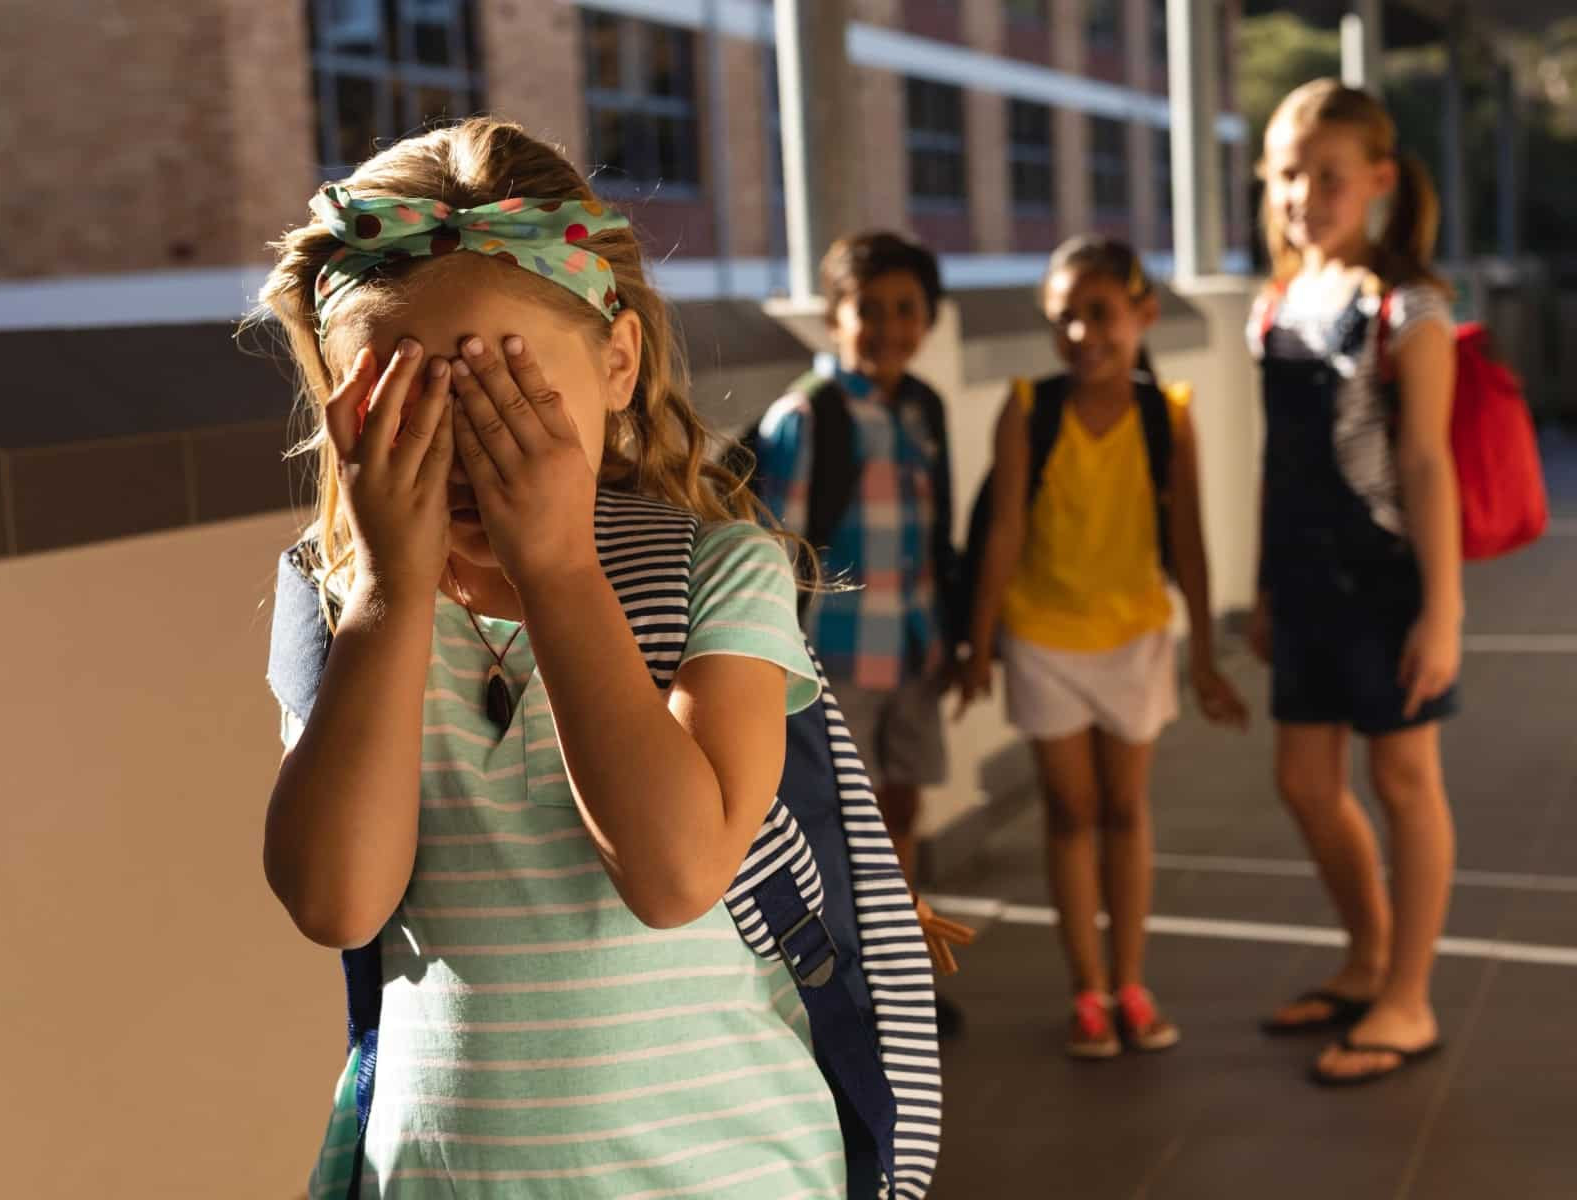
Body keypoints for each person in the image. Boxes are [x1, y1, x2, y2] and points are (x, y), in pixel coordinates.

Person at [258, 117, 850, 1196]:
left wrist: (562, 575)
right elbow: (336, 902)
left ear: (617, 362)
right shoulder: (336, 601)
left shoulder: (717, 575)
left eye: (501, 399)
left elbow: (673, 875)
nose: (466, 451)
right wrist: (389, 592)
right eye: (410, 411)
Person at [960, 235, 1248, 1060]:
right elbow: (1005, 531)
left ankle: (1130, 982)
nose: (1083, 334)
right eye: (1065, 319)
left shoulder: (1170, 416)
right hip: (1044, 636)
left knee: (1125, 810)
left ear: (1143, 316)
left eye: (1101, 315)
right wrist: (979, 642)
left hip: (1135, 637)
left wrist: (1202, 657)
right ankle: (1087, 989)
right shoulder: (1029, 407)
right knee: (1070, 811)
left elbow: (1187, 541)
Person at [1249, 80, 1461, 1087]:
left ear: (1377, 180)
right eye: (1288, 172)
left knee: (1402, 781)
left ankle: (1407, 998)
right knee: (1301, 782)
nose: (1303, 193)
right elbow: (1274, 460)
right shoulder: (1278, 301)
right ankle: (1368, 958)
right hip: (1301, 583)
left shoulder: (1407, 305)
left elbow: (1425, 466)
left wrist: (1443, 614)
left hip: (1383, 581)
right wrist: (1262, 583)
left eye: (1326, 175)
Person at [745, 231, 969, 1034]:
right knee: (843, 830)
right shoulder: (809, 414)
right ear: (833, 316)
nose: (887, 326)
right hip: (834, 664)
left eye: (906, 310)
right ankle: (855, 992)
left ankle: (902, 970)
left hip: (912, 653)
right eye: (866, 309)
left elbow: (935, 533)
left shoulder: (923, 407)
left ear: (930, 318)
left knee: (902, 812)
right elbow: (780, 549)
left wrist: (960, 639)